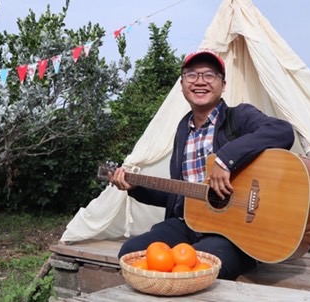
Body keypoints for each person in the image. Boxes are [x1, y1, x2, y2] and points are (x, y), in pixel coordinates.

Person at [110, 51, 296, 279]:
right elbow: (180, 194)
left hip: (233, 234)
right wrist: (134, 187)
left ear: (223, 84)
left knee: (198, 268)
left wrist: (225, 159)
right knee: (131, 254)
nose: (200, 81)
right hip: (186, 224)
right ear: (182, 84)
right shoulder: (182, 129)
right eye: (191, 75)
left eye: (209, 75)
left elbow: (282, 131)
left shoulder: (239, 117)